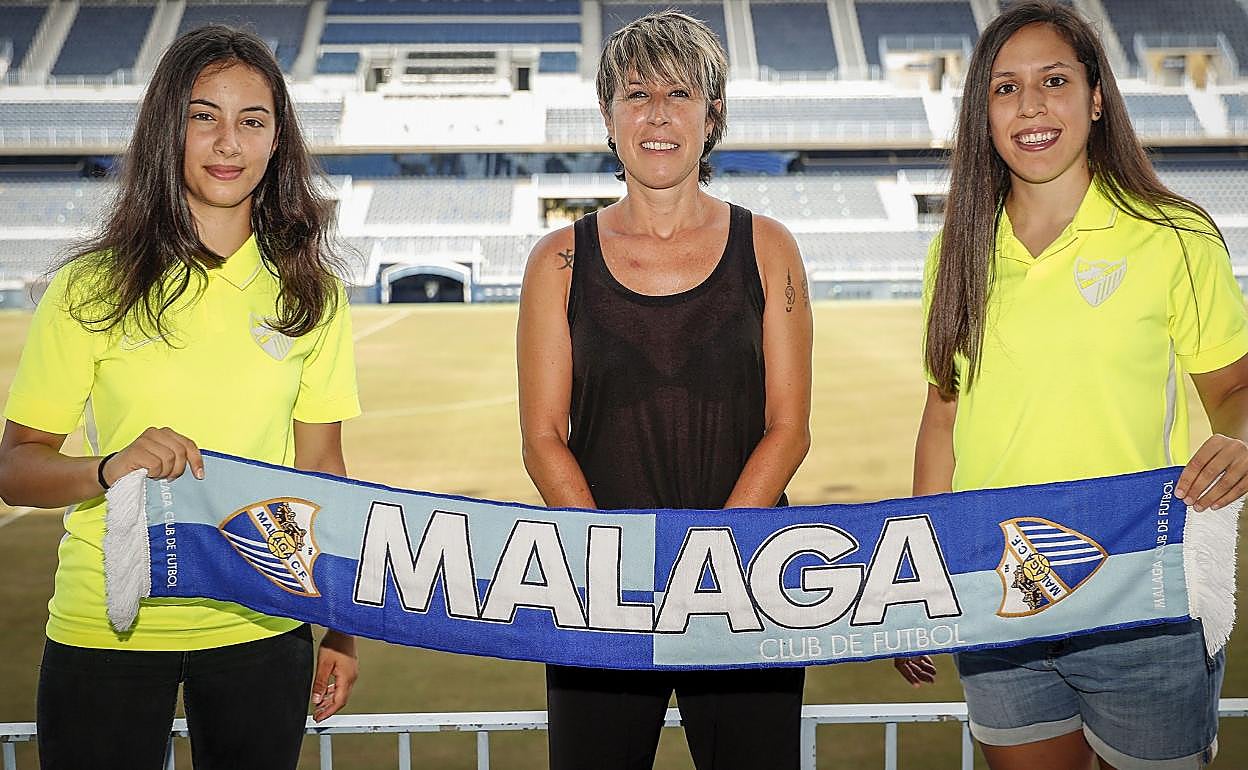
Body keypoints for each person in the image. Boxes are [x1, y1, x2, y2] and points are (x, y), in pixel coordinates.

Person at [896, 2, 1247, 768]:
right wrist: (920, 579)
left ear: (1095, 97)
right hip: (1001, 597)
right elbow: (942, 418)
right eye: (1005, 88)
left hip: (1140, 599)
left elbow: (1234, 390)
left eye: (1054, 80)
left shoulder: (1174, 236)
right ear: (983, 114)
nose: (1030, 105)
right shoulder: (954, 253)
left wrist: (1241, 441)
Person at [0, 26, 361, 770]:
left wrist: (341, 626)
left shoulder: (312, 295)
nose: (228, 142)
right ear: (169, 127)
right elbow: (16, 467)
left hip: (264, 623)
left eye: (252, 121)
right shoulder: (89, 288)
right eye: (204, 116)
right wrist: (109, 468)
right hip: (109, 625)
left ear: (277, 141)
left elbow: (322, 471)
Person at [516, 11, 814, 770]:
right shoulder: (557, 260)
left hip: (747, 582)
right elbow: (543, 437)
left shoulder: (769, 247)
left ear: (712, 116)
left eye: (680, 94)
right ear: (607, 115)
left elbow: (789, 427)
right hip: (599, 592)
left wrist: (711, 564)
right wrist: (608, 561)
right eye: (637, 94)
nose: (657, 114)